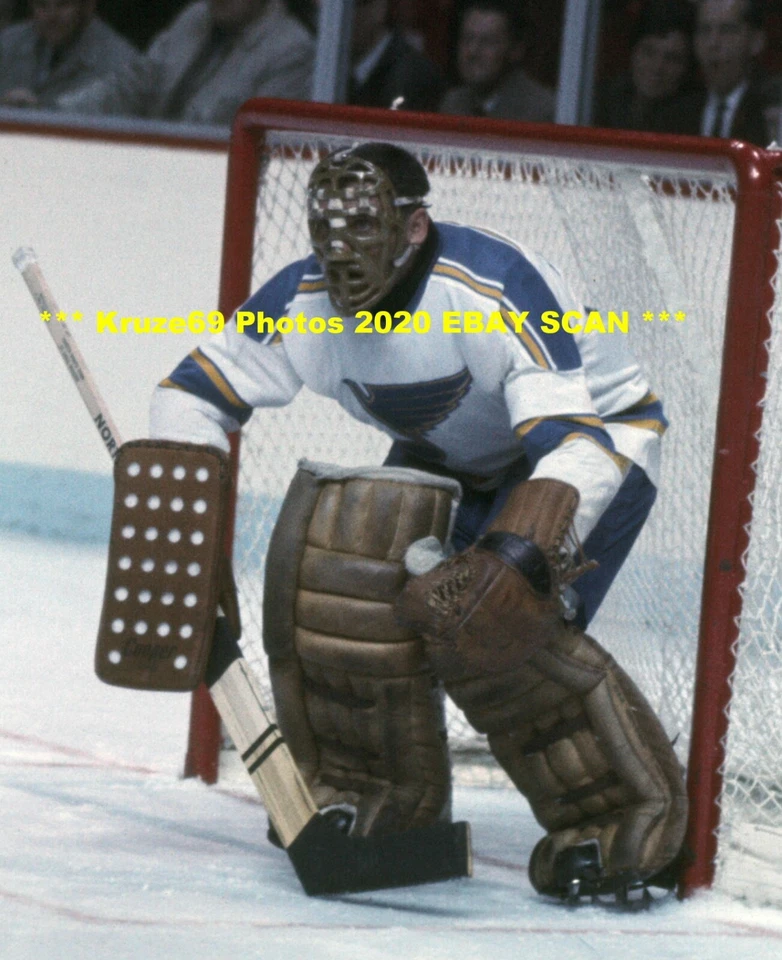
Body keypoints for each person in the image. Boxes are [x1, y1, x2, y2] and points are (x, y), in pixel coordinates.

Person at [149, 142, 687, 901]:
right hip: (453, 455)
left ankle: (618, 820)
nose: (340, 253)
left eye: (362, 227)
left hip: (596, 440)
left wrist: (514, 557)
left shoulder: (492, 285)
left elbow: (574, 445)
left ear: (414, 226)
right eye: (327, 231)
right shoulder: (297, 301)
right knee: (350, 579)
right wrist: (180, 511)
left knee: (492, 622)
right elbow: (190, 393)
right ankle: (382, 799)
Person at [53, 0, 314, 126]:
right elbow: (133, 83)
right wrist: (51, 113)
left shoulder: (292, 50)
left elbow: (256, 144)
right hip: (151, 161)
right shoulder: (196, 17)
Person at [654, 0, 769, 144]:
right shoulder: (674, 113)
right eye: (704, 30)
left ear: (756, 41)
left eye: (727, 30)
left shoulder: (770, 108)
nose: (713, 43)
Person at [0, 0, 139, 108]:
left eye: (63, 5)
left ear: (87, 7)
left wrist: (44, 111)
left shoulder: (122, 64)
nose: (52, 16)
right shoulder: (7, 43)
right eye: (42, 5)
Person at [440, 0, 555, 122]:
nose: (472, 51)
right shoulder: (453, 103)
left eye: (487, 42)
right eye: (467, 39)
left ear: (516, 50)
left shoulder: (541, 111)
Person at [595, 0, 695, 133]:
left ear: (687, 68)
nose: (658, 67)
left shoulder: (693, 118)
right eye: (649, 52)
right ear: (633, 52)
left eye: (672, 59)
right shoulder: (600, 101)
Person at [347, 0, 445, 111]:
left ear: (378, 8)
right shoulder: (335, 70)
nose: (335, 22)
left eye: (352, 7)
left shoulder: (413, 77)